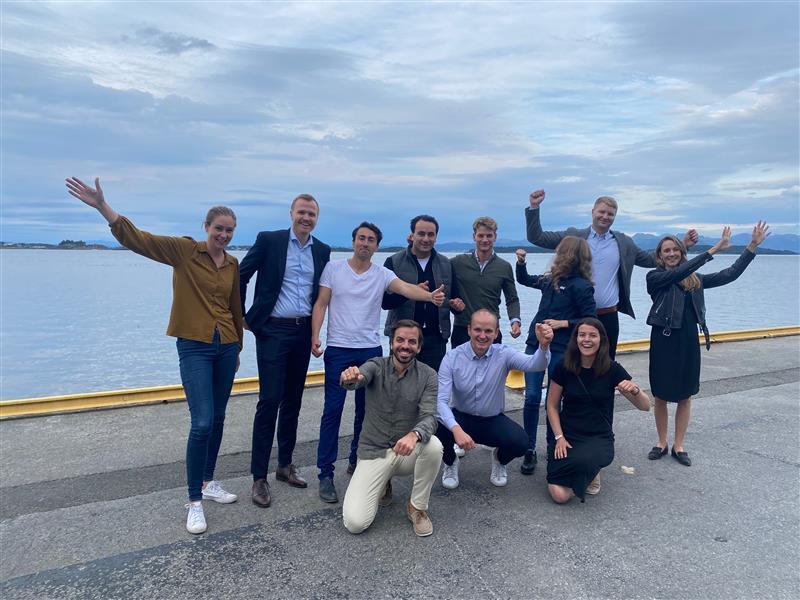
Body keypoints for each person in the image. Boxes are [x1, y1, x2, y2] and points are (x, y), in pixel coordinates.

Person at [65, 176, 243, 535]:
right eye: (219, 229)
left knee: (219, 417)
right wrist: (103, 206)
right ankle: (194, 500)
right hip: (194, 346)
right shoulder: (184, 251)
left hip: (225, 346)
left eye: (229, 231)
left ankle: (208, 482)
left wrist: (238, 345)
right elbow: (139, 240)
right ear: (206, 226)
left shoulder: (232, 264)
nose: (223, 235)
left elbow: (234, 306)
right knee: (202, 422)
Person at [311, 222, 445, 503]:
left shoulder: (382, 274)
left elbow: (406, 289)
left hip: (370, 350)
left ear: (377, 245)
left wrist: (430, 297)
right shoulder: (334, 269)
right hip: (339, 348)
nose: (365, 243)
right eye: (361, 238)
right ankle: (325, 474)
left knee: (366, 411)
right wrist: (315, 336)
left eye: (371, 240)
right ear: (353, 241)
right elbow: (321, 303)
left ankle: (357, 461)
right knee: (332, 411)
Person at [646, 222, 769, 466]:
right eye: (666, 250)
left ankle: (678, 445)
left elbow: (729, 274)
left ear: (682, 252)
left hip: (688, 341)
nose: (671, 253)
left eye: (675, 250)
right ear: (659, 255)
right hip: (663, 341)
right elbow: (676, 274)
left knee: (685, 395)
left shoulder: (695, 280)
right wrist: (714, 249)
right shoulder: (655, 278)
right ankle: (661, 442)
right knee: (660, 395)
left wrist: (751, 247)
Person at [238, 194, 331, 509]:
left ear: (317, 218)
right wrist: (244, 317)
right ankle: (258, 477)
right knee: (269, 400)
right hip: (273, 330)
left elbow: (323, 294)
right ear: (291, 213)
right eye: (302, 212)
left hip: (302, 331)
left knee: (293, 400)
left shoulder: (322, 250)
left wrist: (317, 334)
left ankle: (285, 465)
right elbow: (241, 276)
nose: (306, 218)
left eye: (312, 214)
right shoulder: (270, 241)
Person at [526, 190, 698, 358]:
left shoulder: (624, 243)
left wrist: (683, 245)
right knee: (574, 365)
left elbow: (651, 260)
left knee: (606, 364)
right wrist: (534, 207)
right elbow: (537, 238)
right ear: (593, 212)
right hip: (575, 316)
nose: (605, 216)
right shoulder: (573, 236)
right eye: (601, 212)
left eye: (610, 214)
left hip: (608, 315)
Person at [340, 320, 442, 537]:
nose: (405, 346)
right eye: (400, 340)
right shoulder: (376, 366)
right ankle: (383, 483)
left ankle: (417, 507)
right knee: (355, 523)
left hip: (405, 451)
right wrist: (351, 378)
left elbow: (430, 417)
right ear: (391, 343)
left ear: (419, 347)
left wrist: (414, 435)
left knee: (433, 446)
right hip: (374, 451)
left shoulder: (428, 375)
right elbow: (360, 377)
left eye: (412, 342)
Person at [436, 309, 553, 490]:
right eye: (477, 330)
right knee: (435, 426)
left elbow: (535, 364)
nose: (482, 336)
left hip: (491, 420)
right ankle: (450, 462)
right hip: (461, 417)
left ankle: (499, 459)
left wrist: (543, 346)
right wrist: (455, 429)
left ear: (496, 333)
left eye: (488, 331)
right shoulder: (452, 357)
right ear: (469, 330)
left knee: (521, 443)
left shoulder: (503, 353)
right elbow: (441, 401)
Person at [514, 237, 596, 475]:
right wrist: (521, 263)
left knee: (553, 400)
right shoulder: (550, 280)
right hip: (536, 343)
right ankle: (529, 448)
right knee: (531, 397)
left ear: (571, 255)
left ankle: (553, 446)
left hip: (561, 348)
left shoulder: (582, 286)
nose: (557, 256)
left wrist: (563, 323)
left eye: (561, 252)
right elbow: (524, 280)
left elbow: (591, 319)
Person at [546, 318, 650, 504]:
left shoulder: (612, 369)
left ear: (601, 339)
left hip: (597, 436)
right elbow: (552, 406)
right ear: (576, 339)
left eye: (592, 335)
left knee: (585, 460)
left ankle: (591, 470)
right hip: (569, 435)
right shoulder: (563, 366)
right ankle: (585, 471)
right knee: (559, 495)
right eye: (582, 335)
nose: (587, 339)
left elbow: (645, 406)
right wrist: (559, 437)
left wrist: (635, 390)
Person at [382, 215, 465, 371]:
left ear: (436, 237)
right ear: (412, 235)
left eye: (430, 234)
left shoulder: (446, 264)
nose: (426, 239)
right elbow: (385, 302)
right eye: (421, 234)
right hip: (403, 339)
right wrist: (410, 291)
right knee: (399, 382)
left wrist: (457, 306)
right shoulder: (394, 262)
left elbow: (454, 299)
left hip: (436, 339)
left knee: (432, 384)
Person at [450, 216, 521, 348]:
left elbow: (512, 299)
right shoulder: (457, 263)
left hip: (491, 331)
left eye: (489, 236)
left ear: (495, 237)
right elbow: (437, 268)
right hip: (463, 328)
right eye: (480, 235)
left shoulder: (504, 266)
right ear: (474, 237)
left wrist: (515, 321)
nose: (485, 240)